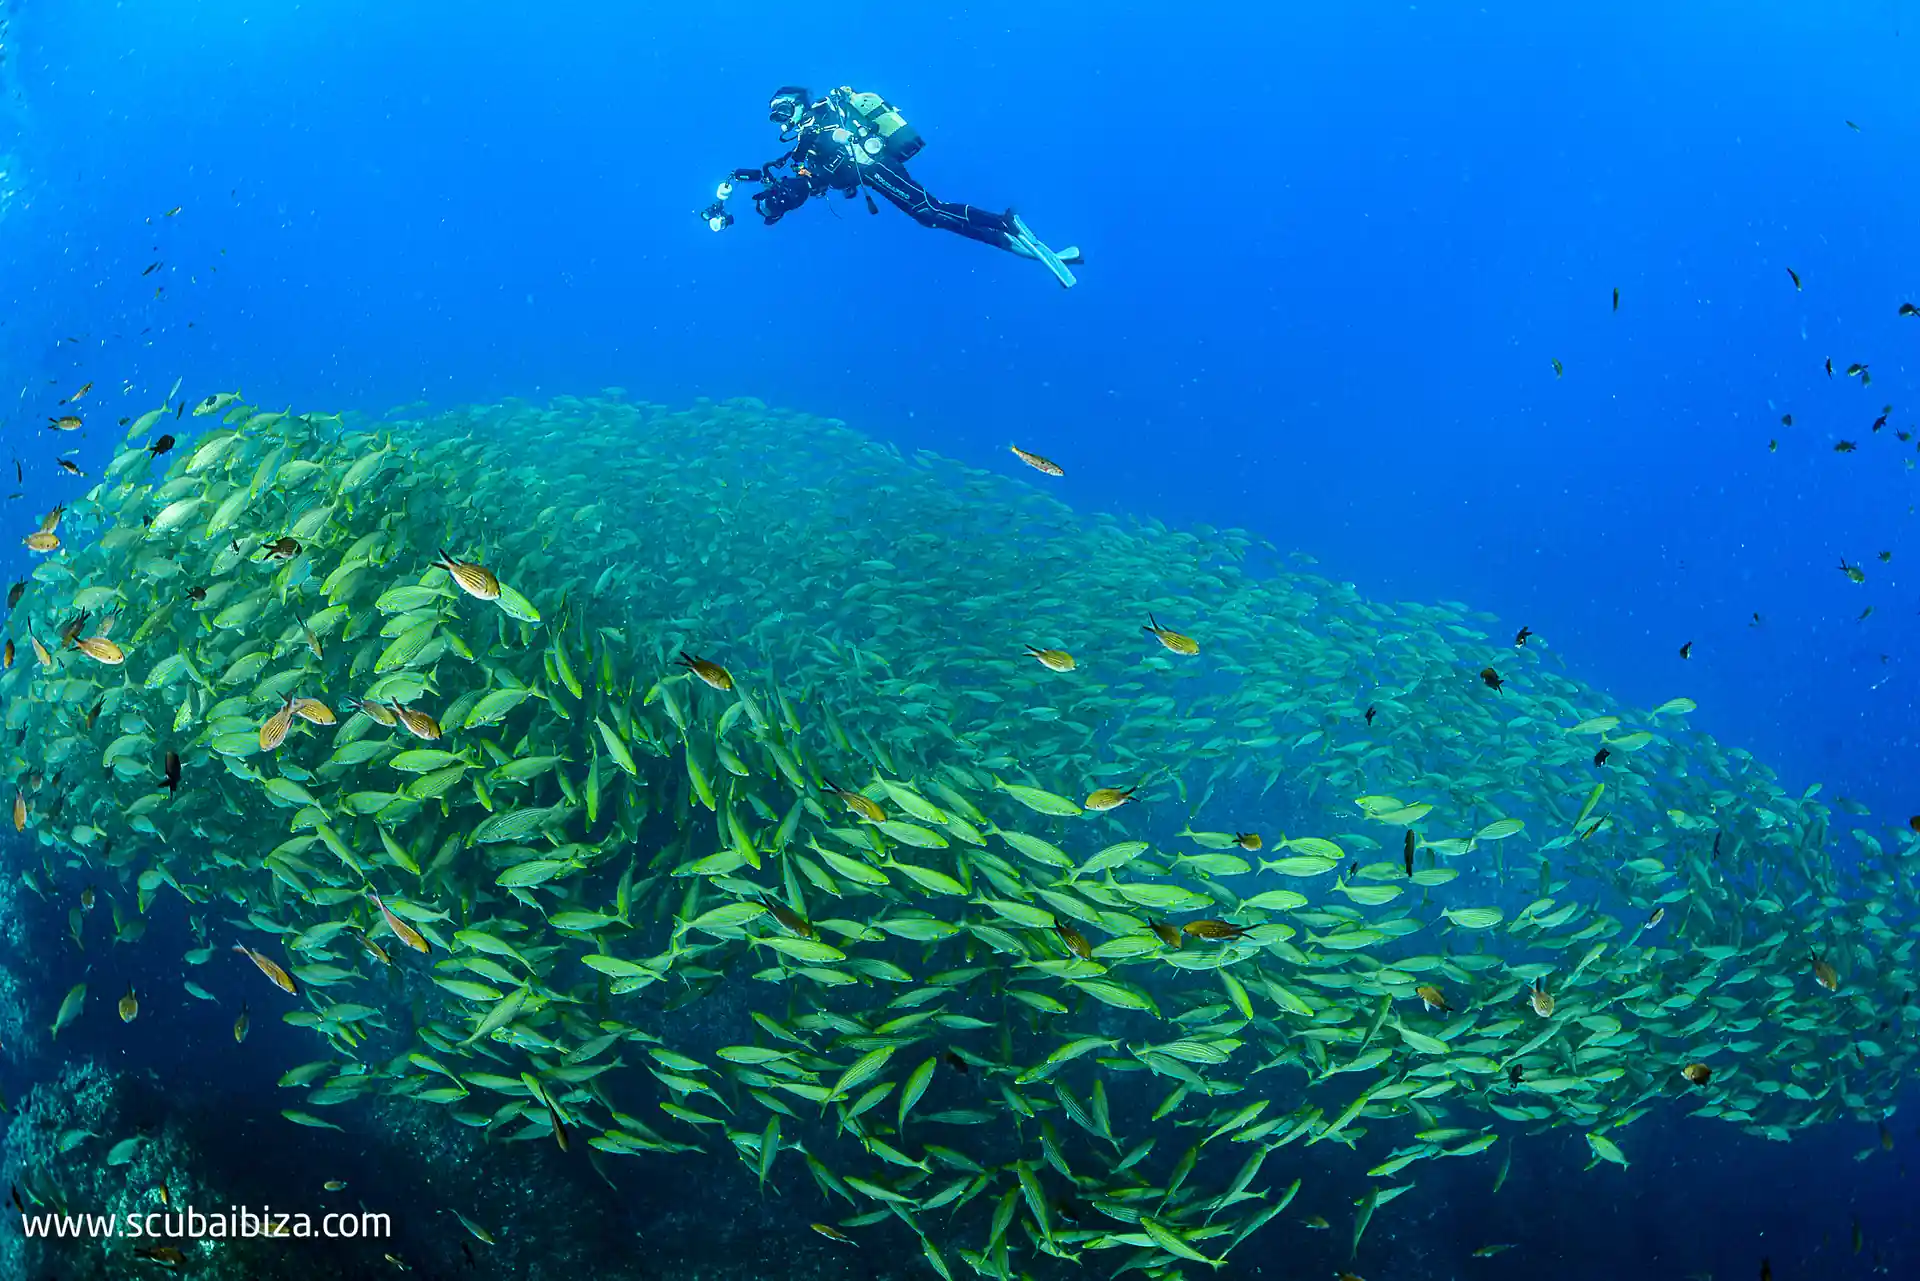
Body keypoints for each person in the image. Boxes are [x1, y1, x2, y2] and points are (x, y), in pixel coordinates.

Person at [710, 86, 1081, 288]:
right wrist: (783, 191)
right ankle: (1007, 238)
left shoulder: (819, 119)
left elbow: (826, 155)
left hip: (875, 168)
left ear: (795, 106)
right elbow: (814, 178)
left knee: (930, 211)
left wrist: (804, 169)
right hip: (871, 173)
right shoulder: (809, 136)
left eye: (781, 112)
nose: (779, 121)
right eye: (775, 116)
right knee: (930, 215)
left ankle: (1005, 223)